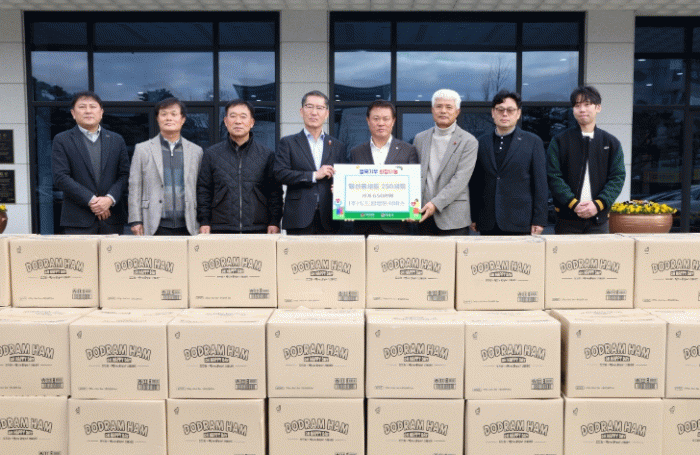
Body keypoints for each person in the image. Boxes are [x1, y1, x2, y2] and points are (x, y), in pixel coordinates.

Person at [547, 85, 625, 234]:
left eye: (587, 104)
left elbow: (617, 177)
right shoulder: (560, 141)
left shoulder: (611, 142)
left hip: (599, 220)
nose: (582, 109)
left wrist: (598, 204)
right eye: (577, 106)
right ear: (573, 110)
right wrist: (573, 203)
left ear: (598, 108)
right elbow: (553, 176)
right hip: (566, 220)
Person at [196, 99, 282, 234]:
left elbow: (274, 192)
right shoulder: (211, 154)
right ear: (225, 121)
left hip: (258, 227)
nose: (238, 121)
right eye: (233, 116)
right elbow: (204, 190)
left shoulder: (267, 155)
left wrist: (274, 221)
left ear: (252, 122)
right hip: (220, 227)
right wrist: (204, 220)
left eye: (243, 116)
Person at [470, 90, 548, 235]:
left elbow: (540, 184)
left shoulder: (532, 142)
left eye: (510, 110)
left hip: (520, 221)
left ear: (518, 113)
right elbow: (475, 183)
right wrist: (473, 216)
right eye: (500, 109)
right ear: (493, 113)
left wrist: (539, 219)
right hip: (488, 221)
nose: (504, 114)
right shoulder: (481, 142)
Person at [52, 91, 130, 234]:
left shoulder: (116, 140)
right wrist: (92, 201)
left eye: (93, 107)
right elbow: (60, 177)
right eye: (82, 107)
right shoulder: (62, 140)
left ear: (101, 112)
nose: (88, 111)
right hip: (78, 220)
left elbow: (125, 175)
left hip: (112, 218)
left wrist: (109, 200)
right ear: (73, 113)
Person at [274, 91, 347, 235]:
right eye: (309, 107)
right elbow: (280, 173)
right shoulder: (288, 143)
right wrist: (313, 175)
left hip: (330, 217)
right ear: (302, 111)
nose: (314, 112)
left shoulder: (338, 146)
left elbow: (343, 178)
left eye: (320, 108)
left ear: (326, 113)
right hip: (298, 216)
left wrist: (341, 187)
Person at [128, 98, 203, 236]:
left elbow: (202, 189)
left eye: (174, 114)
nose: (169, 118)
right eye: (164, 114)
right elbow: (135, 186)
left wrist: (204, 221)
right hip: (154, 223)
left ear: (182, 119)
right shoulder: (142, 149)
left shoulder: (196, 151)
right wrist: (135, 219)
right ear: (157, 119)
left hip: (189, 224)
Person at [348, 100, 420, 235]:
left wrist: (413, 211)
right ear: (368, 120)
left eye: (386, 119)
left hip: (397, 226)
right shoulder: (356, 152)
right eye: (376, 119)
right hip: (364, 226)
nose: (381, 123)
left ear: (393, 121)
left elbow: (414, 185)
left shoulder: (408, 150)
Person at [413, 89, 477, 236]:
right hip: (423, 215)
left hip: (453, 218)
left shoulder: (468, 141)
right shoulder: (420, 138)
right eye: (439, 106)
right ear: (432, 110)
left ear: (457, 112)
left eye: (449, 107)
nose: (443, 111)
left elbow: (460, 180)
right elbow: (415, 175)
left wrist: (435, 204)